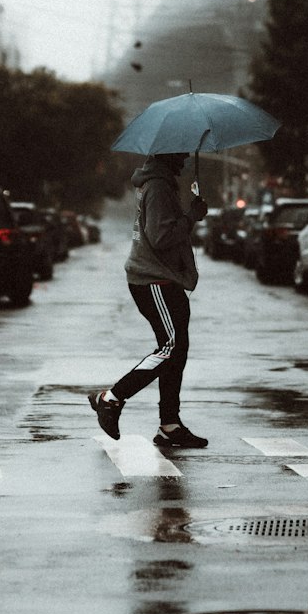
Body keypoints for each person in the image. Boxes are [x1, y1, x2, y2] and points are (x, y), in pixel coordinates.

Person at [89, 151, 208, 448]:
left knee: (177, 352)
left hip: (164, 278)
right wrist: (191, 217)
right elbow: (160, 237)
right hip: (153, 278)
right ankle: (111, 398)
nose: (184, 160)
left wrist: (189, 215)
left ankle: (170, 425)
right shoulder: (157, 186)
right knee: (171, 348)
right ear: (168, 156)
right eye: (180, 154)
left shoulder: (162, 184)